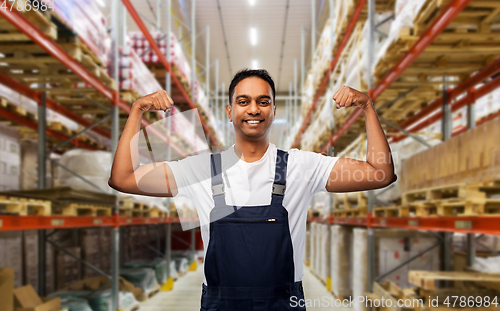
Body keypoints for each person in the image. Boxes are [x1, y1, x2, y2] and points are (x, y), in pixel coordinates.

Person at [108, 69, 397, 311]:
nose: (254, 109)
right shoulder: (200, 170)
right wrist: (137, 111)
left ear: (273, 110)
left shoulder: (301, 165)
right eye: (243, 101)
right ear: (229, 111)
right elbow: (123, 179)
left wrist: (368, 107)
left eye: (263, 101)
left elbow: (380, 174)